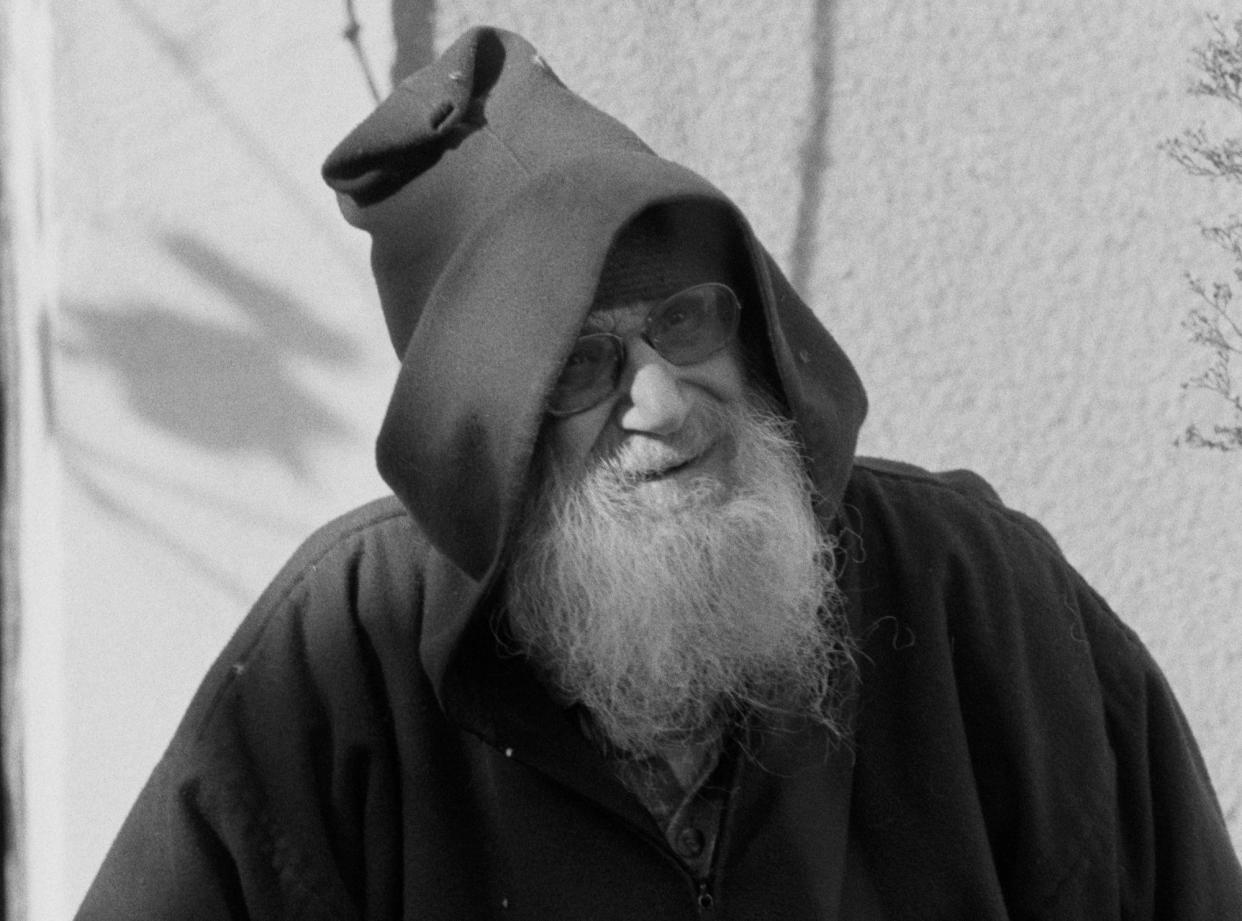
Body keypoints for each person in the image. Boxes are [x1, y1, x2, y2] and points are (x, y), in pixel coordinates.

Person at [77, 26, 1242, 920]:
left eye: (687, 322)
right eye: (584, 365)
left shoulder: (982, 602)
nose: (667, 402)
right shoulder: (344, 665)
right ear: (486, 440)